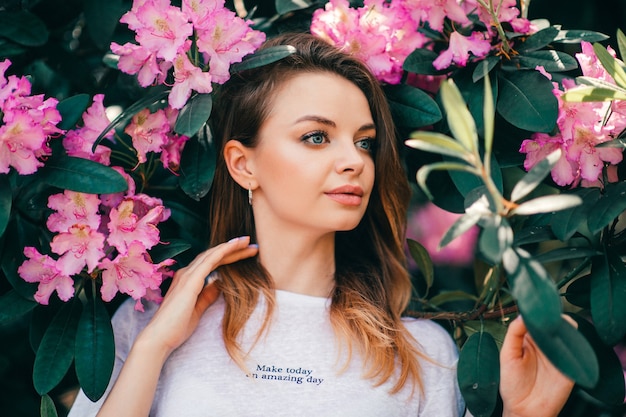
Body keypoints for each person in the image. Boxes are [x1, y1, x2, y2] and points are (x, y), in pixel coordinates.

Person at [68, 32, 574, 417]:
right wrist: (156, 345)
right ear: (243, 165)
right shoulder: (150, 325)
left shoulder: (425, 353)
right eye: (316, 137)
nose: (353, 161)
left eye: (364, 141)